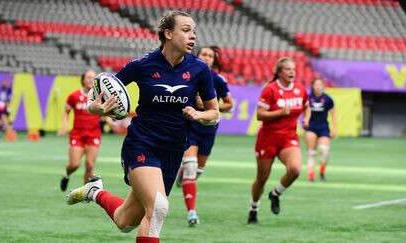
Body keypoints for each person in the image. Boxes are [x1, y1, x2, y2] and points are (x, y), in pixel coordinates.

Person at [66, 10, 219, 243]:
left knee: (125, 221)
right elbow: (98, 94)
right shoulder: (142, 65)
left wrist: (199, 114)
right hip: (142, 144)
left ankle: (94, 192)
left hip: (174, 149)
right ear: (168, 33)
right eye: (186, 30)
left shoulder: (199, 69)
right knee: (158, 208)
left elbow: (214, 112)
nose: (193, 37)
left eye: (194, 32)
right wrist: (95, 108)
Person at [175, 46, 233, 226]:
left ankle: (183, 173)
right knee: (191, 168)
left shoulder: (218, 80)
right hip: (190, 126)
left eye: (210, 55)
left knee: (197, 170)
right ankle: (191, 212)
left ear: (214, 60)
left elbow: (229, 105)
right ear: (197, 56)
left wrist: (212, 107)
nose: (207, 58)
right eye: (204, 54)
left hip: (208, 129)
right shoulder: (187, 74)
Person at [247, 57, 310, 224]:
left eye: (293, 69)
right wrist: (279, 113)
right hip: (268, 138)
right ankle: (253, 208)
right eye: (288, 69)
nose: (292, 72)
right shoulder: (270, 89)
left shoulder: (300, 89)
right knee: (262, 178)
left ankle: (275, 193)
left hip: (289, 137)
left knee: (295, 170)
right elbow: (260, 114)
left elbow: (306, 106)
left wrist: (306, 120)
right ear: (280, 72)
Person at [58, 70, 113, 190]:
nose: (90, 80)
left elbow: (104, 112)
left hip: (93, 134)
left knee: (89, 165)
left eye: (93, 78)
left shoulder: (99, 97)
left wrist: (109, 119)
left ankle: (85, 191)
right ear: (83, 79)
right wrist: (64, 124)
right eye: (88, 77)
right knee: (74, 164)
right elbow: (66, 112)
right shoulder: (74, 96)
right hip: (77, 134)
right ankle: (66, 175)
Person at [305, 78, 336, 182]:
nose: (318, 86)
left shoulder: (327, 99)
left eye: (320, 84)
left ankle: (322, 172)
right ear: (312, 86)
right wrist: (305, 121)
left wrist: (334, 128)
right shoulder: (308, 98)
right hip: (311, 127)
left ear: (323, 86)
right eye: (316, 84)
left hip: (323, 128)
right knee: (311, 153)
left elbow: (333, 114)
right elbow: (305, 111)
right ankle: (311, 175)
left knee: (324, 151)